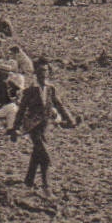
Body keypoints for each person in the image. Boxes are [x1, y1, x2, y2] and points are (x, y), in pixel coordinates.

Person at [10, 59, 73, 192]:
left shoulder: (51, 89)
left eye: (45, 71)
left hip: (45, 126)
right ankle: (46, 183)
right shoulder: (30, 91)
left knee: (37, 153)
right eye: (40, 71)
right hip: (33, 126)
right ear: (36, 74)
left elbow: (59, 105)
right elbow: (21, 110)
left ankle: (29, 180)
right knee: (44, 155)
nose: (43, 74)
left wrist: (70, 119)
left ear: (48, 73)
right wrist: (15, 128)